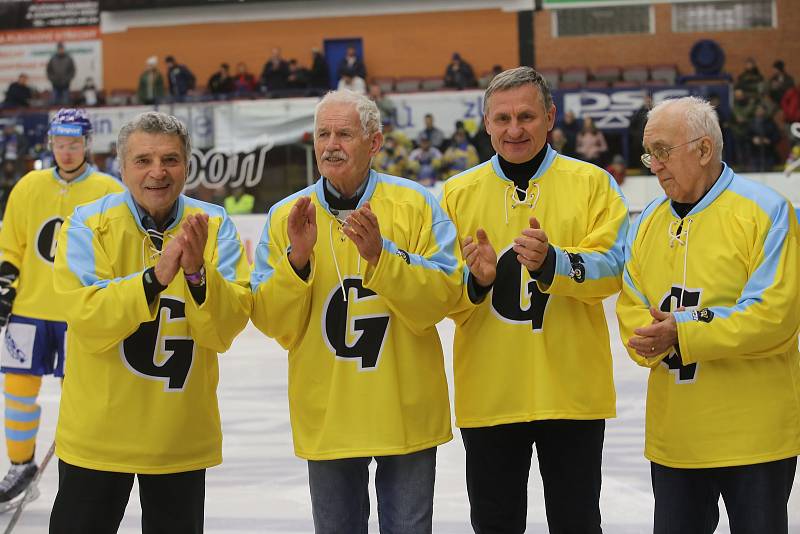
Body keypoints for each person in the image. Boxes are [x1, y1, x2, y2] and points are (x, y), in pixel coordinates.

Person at [250, 89, 462, 533]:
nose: (331, 145)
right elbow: (271, 321)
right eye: (323, 133)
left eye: (344, 134)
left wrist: (381, 256)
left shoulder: (417, 204)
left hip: (403, 407)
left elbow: (443, 295)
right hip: (328, 412)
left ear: (375, 143)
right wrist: (297, 261)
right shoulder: (287, 215)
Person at [440, 66, 629, 534]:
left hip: (571, 393)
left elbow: (615, 268)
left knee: (577, 522)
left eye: (526, 116)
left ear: (550, 117)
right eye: (502, 119)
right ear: (485, 123)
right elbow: (439, 292)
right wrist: (477, 282)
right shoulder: (455, 194)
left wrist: (553, 264)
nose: (514, 129)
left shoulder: (592, 184)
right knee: (495, 523)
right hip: (491, 394)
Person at [48, 111, 252, 533]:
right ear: (121, 167)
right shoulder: (88, 223)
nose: (157, 172)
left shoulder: (214, 225)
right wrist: (154, 278)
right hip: (98, 437)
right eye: (143, 160)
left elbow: (224, 328)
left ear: (187, 165)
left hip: (178, 437)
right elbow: (87, 316)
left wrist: (197, 274)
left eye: (170, 160)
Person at [616, 96, 800, 534]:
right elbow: (630, 304)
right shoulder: (645, 224)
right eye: (648, 153)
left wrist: (682, 331)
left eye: (663, 151)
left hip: (755, 439)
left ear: (703, 149)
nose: (653, 165)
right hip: (675, 440)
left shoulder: (767, 212)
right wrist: (646, 341)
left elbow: (776, 315)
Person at [0, 109, 123, 509]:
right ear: (50, 144)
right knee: (18, 389)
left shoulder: (108, 188)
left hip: (79, 312)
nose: (66, 152)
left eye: (73, 144)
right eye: (59, 144)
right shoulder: (29, 186)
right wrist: (4, 288)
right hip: (29, 308)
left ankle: (82, 466)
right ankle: (20, 467)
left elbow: (119, 248)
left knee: (82, 394)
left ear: (87, 144)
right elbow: (11, 245)